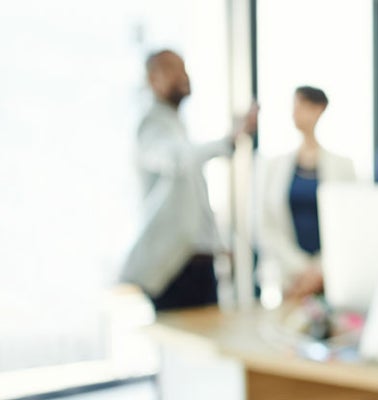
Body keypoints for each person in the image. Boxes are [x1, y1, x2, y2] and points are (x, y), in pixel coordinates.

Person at [121, 49, 257, 311]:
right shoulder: (151, 124)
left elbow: (192, 198)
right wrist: (228, 140)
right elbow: (176, 159)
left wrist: (217, 244)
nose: (184, 76)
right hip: (175, 268)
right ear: (153, 79)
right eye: (174, 69)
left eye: (184, 68)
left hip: (199, 263)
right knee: (185, 348)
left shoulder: (176, 125)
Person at [258, 86, 355, 300]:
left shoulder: (343, 166)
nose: (295, 113)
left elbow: (349, 225)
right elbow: (266, 225)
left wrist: (318, 271)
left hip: (328, 276)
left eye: (301, 106)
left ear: (319, 109)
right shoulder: (274, 166)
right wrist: (300, 269)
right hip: (289, 279)